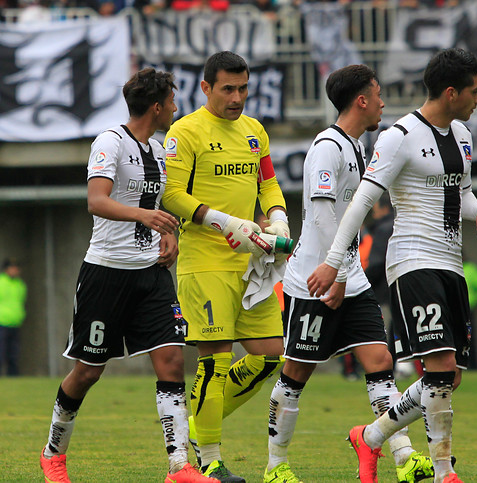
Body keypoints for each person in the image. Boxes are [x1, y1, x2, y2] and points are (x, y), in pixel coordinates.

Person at [308, 48, 477, 483]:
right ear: (451, 93)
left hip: (451, 262)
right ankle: (444, 473)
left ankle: (371, 436)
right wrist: (335, 264)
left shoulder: (463, 135)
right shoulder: (398, 136)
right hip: (413, 260)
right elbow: (361, 203)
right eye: (475, 90)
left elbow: (461, 194)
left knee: (448, 377)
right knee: (439, 369)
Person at [39, 68, 216, 483]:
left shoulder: (156, 149)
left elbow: (153, 206)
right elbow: (97, 200)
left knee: (172, 360)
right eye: (171, 100)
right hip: (107, 274)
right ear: (156, 107)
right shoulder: (110, 141)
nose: (175, 107)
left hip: (151, 275)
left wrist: (168, 232)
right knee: (88, 370)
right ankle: (53, 454)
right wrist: (145, 216)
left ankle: (179, 466)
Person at [264, 64, 433, 483]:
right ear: (361, 100)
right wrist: (336, 271)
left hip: (348, 276)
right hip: (314, 280)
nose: (382, 103)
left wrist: (345, 271)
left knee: (380, 361)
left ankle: (403, 457)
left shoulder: (358, 147)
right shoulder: (327, 147)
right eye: (377, 95)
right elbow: (321, 215)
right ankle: (275, 465)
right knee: (296, 374)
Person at [162, 51, 289, 483]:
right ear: (206, 88)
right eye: (228, 89)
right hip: (205, 261)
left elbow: (267, 183)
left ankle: (201, 418)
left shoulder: (255, 131)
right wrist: (224, 220)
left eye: (243, 88)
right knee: (215, 360)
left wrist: (278, 217)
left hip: (251, 261)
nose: (237, 98)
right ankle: (210, 460)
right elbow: (172, 196)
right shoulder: (185, 131)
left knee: (271, 354)